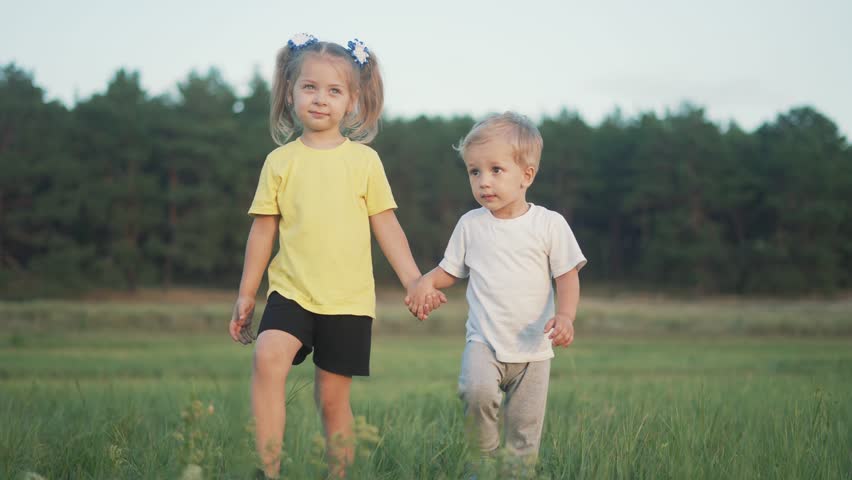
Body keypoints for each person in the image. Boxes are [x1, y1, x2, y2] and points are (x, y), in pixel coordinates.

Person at [228, 33, 444, 479]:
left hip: (348, 301)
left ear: (353, 101)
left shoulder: (364, 162)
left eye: (334, 91)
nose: (320, 99)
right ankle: (267, 471)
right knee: (267, 357)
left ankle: (338, 475)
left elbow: (387, 226)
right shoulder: (280, 162)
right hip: (291, 292)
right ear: (290, 94)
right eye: (310, 88)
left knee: (331, 399)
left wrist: (413, 281)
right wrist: (247, 294)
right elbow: (262, 230)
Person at [406, 112, 587, 474]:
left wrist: (566, 316)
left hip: (534, 350)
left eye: (496, 170)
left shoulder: (549, 224)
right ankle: (483, 461)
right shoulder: (470, 225)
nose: (483, 182)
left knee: (524, 432)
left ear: (527, 175)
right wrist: (425, 282)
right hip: (484, 342)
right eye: (475, 172)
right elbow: (449, 272)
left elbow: (566, 277)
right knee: (476, 392)